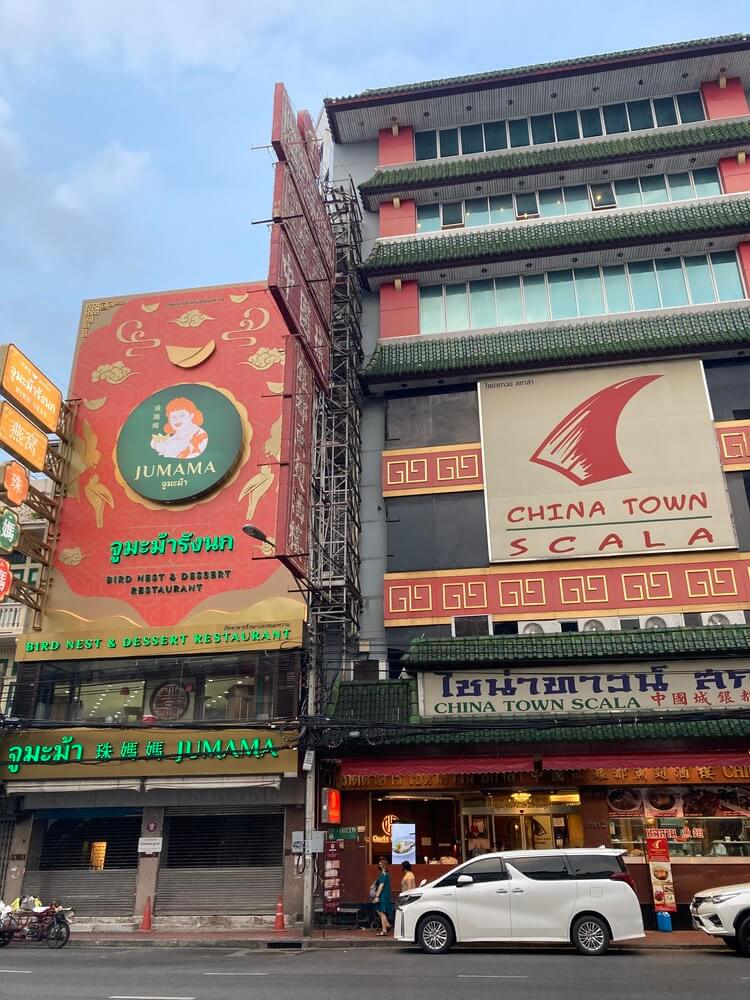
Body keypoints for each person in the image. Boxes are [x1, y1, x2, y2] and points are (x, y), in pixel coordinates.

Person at [373, 857, 393, 935]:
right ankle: (386, 926)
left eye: (380, 864)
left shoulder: (382, 875)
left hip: (383, 895)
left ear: (383, 865)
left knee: (382, 913)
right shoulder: (387, 874)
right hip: (386, 895)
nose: (379, 865)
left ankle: (384, 930)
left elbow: (381, 885)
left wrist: (377, 896)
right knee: (382, 912)